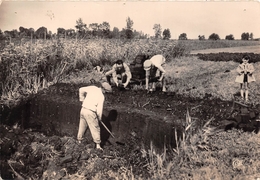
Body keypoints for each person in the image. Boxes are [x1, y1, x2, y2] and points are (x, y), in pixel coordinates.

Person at [77, 82, 112, 150]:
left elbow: (81, 89)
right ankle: (98, 146)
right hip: (91, 112)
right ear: (104, 90)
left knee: (82, 126)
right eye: (106, 92)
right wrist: (99, 117)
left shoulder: (92, 88)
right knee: (96, 128)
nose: (106, 93)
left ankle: (79, 141)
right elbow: (99, 110)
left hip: (83, 110)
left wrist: (82, 100)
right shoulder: (101, 96)